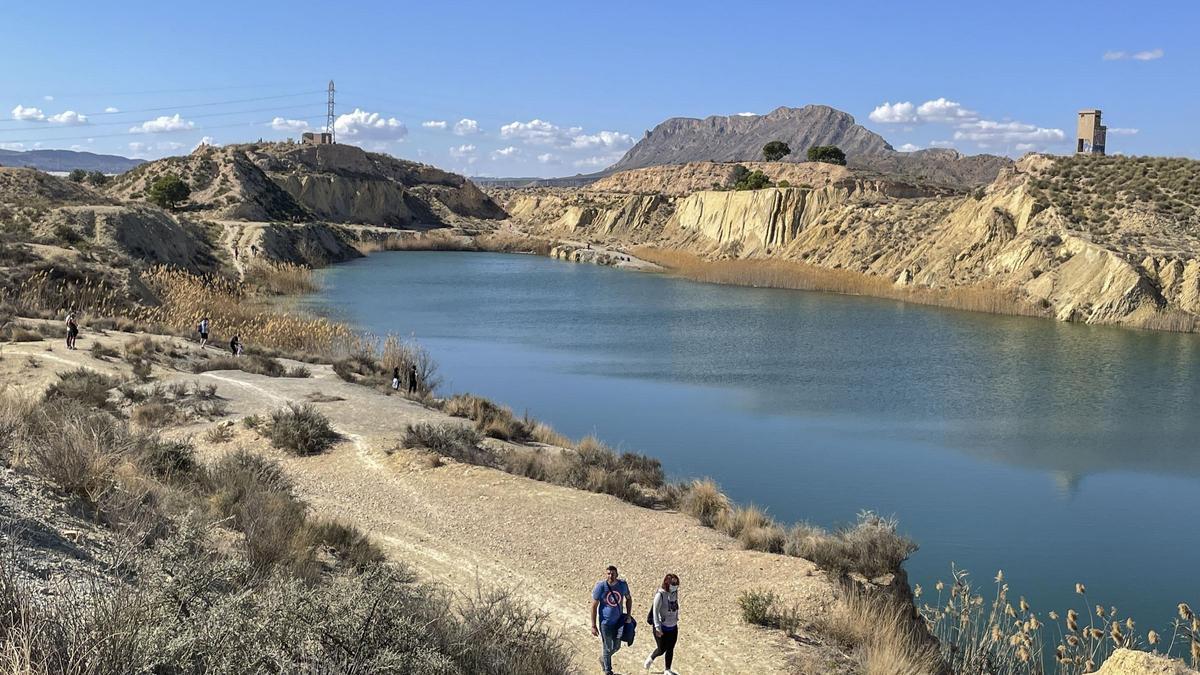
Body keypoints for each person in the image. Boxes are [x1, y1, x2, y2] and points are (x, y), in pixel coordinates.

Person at [591, 565, 633, 675]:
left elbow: (628, 599)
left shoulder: (622, 585)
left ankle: (604, 659)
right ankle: (608, 670)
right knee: (607, 646)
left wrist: (628, 615)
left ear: (617, 574)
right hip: (605, 623)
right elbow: (594, 606)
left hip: (618, 622)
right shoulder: (600, 587)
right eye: (609, 573)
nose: (611, 576)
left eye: (613, 573)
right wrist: (593, 625)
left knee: (617, 646)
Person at [645, 573, 680, 674]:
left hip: (673, 626)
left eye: (677, 584)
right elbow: (655, 612)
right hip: (662, 627)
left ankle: (667, 669)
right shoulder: (660, 595)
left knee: (670, 648)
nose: (675, 586)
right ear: (667, 583)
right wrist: (657, 627)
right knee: (661, 649)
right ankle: (652, 657)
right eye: (673, 584)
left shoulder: (675, 593)